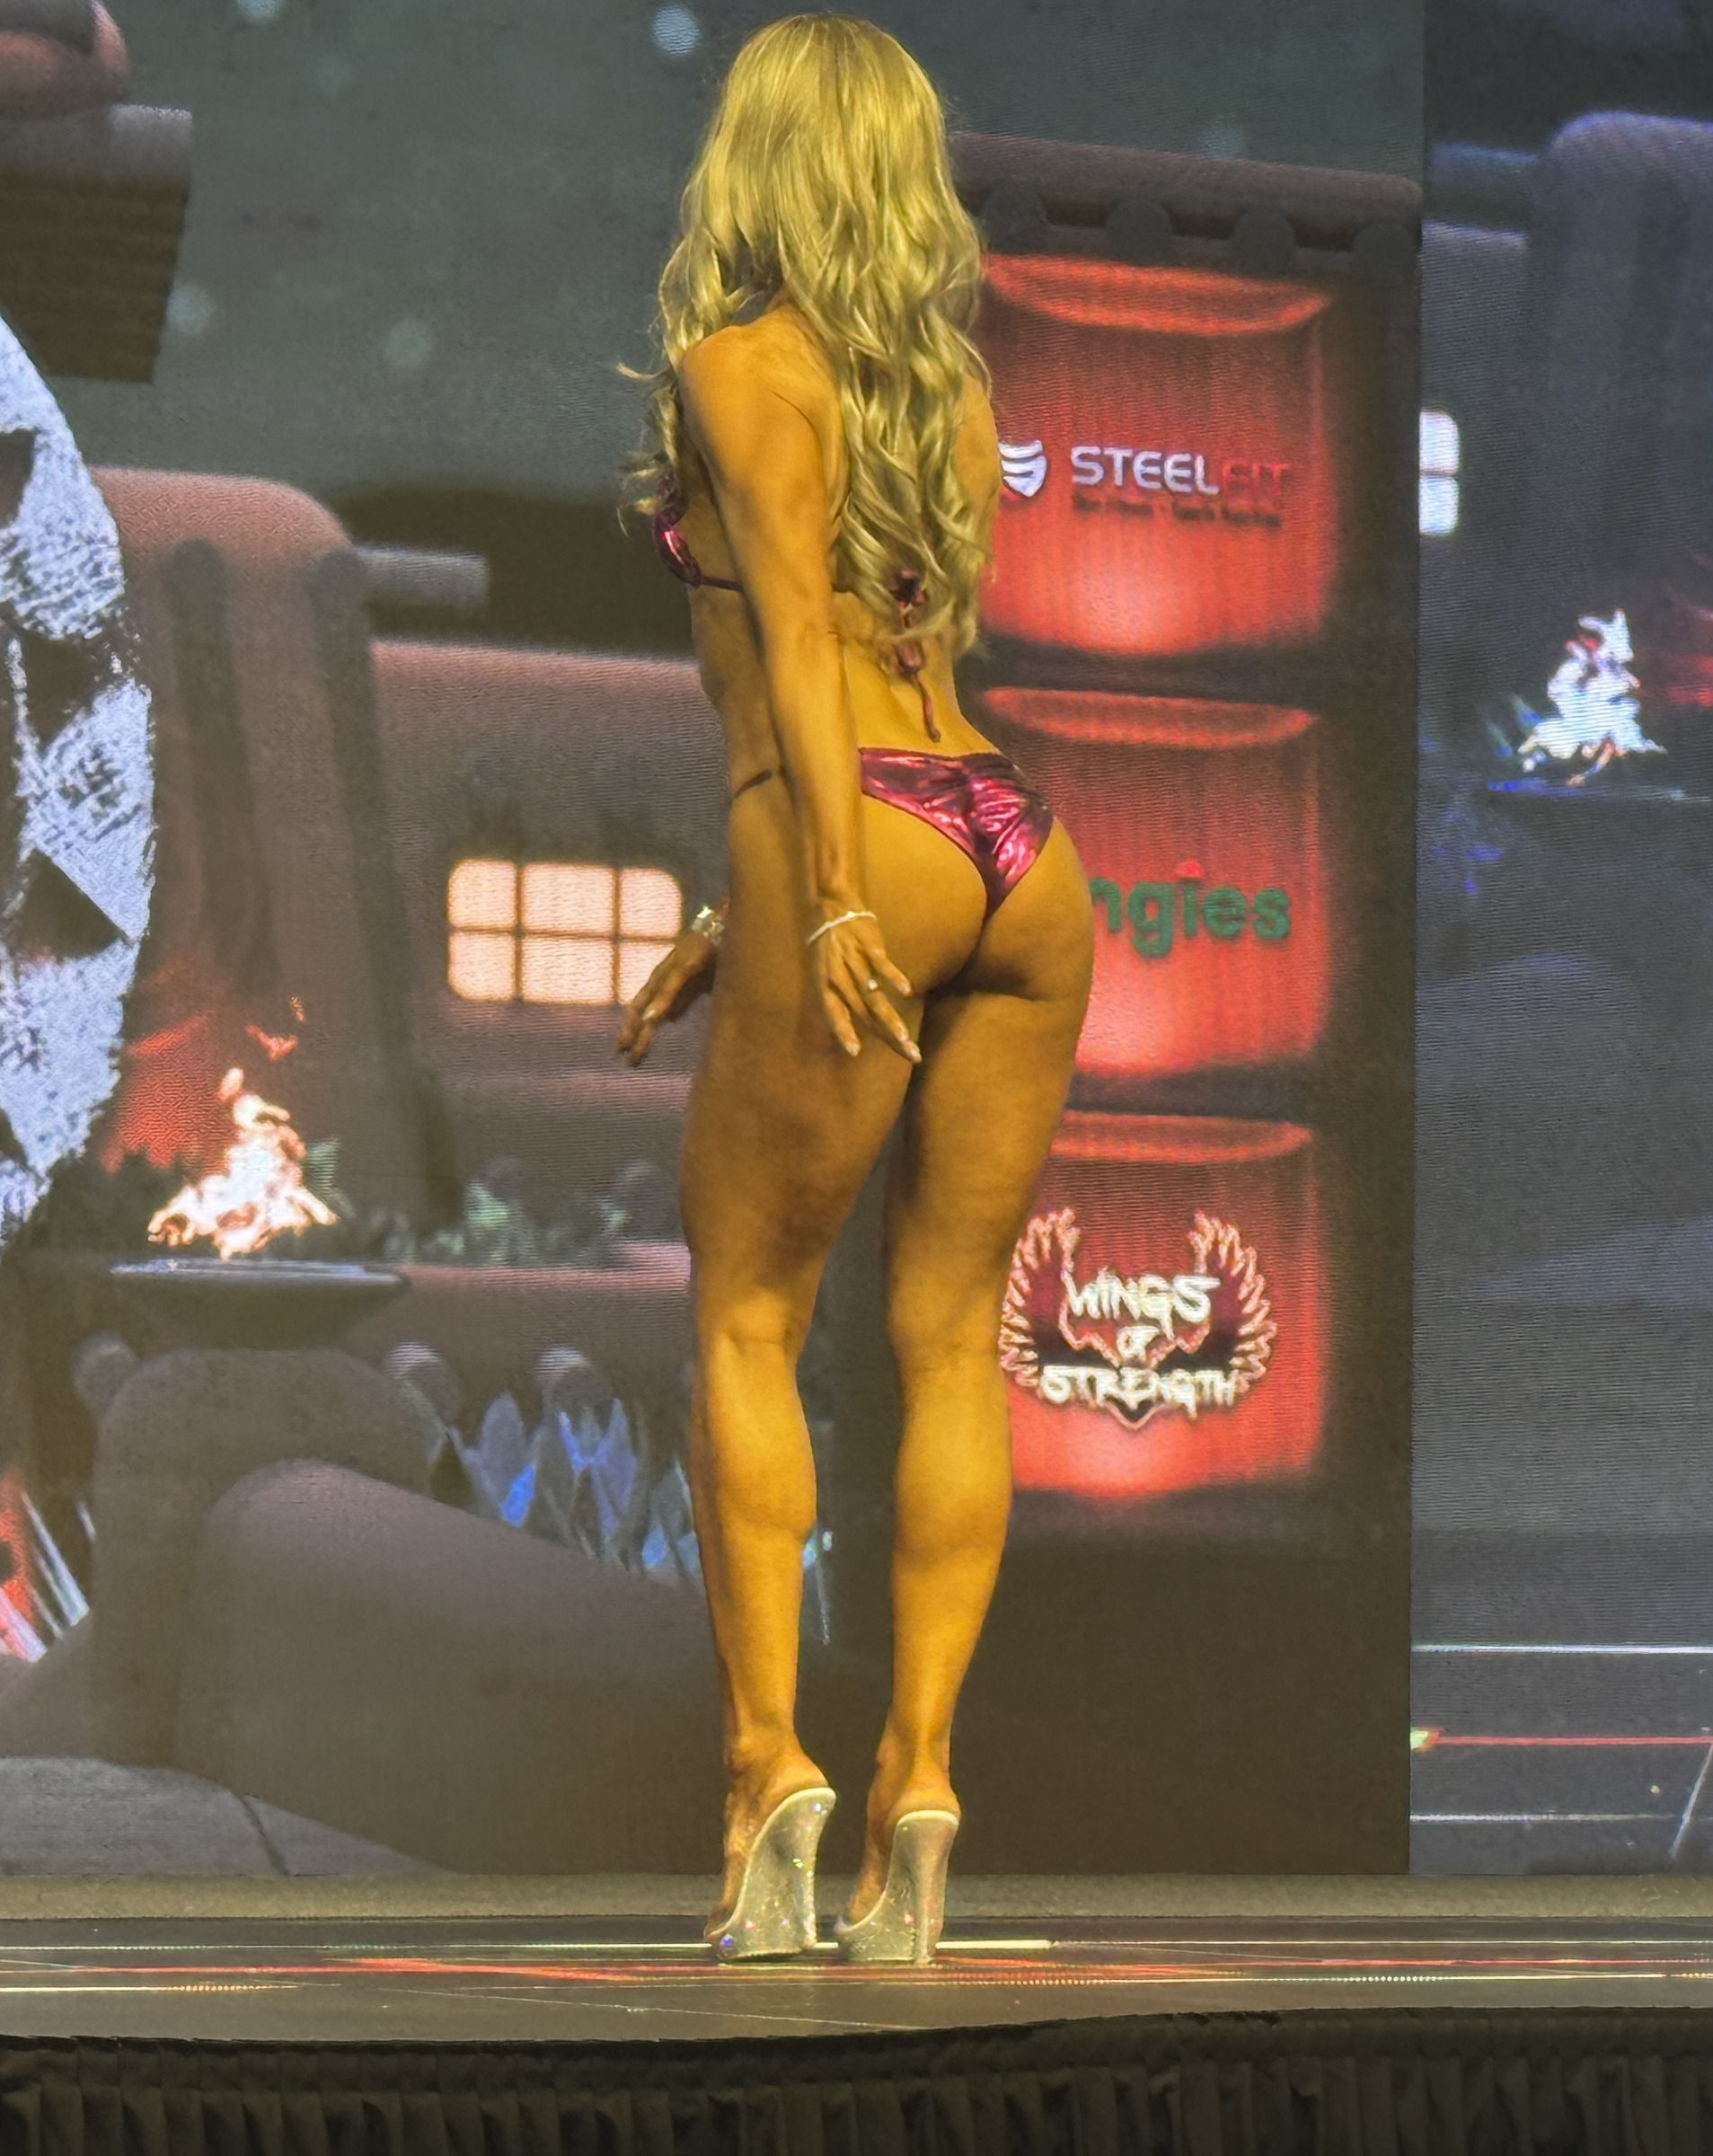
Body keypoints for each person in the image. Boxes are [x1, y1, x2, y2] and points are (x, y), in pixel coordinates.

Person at [612, 14, 1092, 1960]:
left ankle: (763, 1774)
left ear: (762, 158)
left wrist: (813, 899)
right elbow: (903, 660)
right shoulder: (946, 395)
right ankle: (921, 1788)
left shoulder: (739, 365)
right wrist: (750, 910)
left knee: (748, 1317)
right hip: (1012, 847)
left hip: (858, 845)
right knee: (952, 1339)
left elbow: (804, 660)